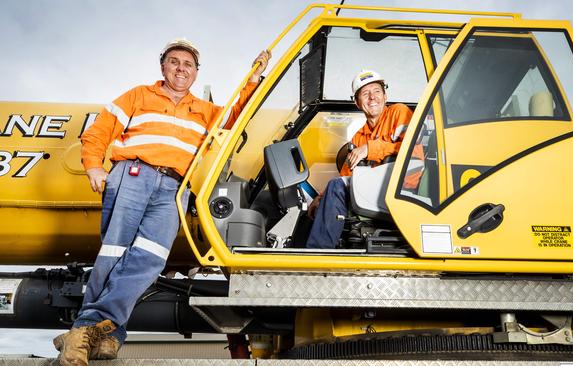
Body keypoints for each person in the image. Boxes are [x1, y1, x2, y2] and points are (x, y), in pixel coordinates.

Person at [52, 38, 270, 366]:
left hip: (173, 188)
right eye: (174, 62)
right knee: (115, 254)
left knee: (150, 261)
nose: (181, 68)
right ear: (163, 66)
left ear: (196, 73)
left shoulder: (205, 111)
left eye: (188, 64)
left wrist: (254, 78)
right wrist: (94, 165)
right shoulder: (139, 95)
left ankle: (86, 331)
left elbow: (236, 116)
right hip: (133, 174)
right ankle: (105, 334)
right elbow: (99, 131)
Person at [306, 70, 413, 249]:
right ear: (357, 102)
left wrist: (370, 149)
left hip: (403, 187)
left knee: (337, 187)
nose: (372, 97)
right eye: (365, 94)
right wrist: (321, 198)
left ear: (385, 96)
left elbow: (413, 150)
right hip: (375, 191)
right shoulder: (359, 136)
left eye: (377, 91)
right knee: (324, 200)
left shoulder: (398, 113)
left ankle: (317, 253)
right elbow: (346, 174)